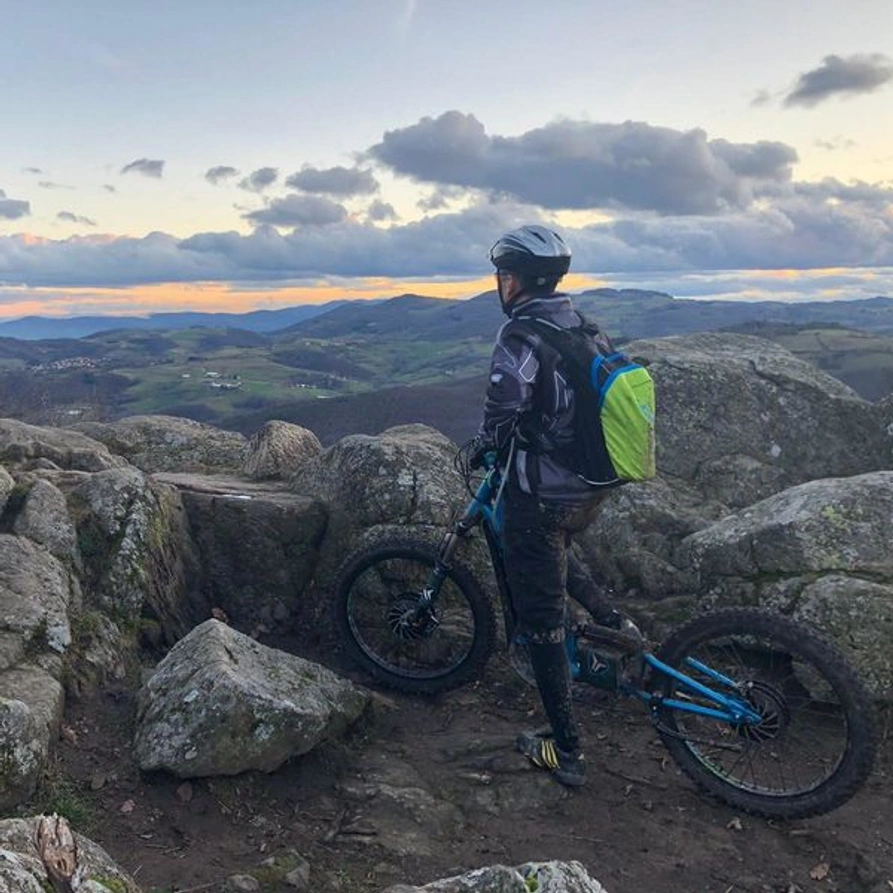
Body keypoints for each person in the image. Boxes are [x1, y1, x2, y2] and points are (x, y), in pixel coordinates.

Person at [469, 224, 635, 787]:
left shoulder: (520, 335)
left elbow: (504, 403)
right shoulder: (580, 324)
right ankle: (619, 628)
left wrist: (486, 442)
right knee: (554, 553)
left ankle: (566, 750)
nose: (501, 283)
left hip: (544, 493)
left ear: (513, 280)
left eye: (503, 275)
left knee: (541, 621)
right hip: (590, 487)